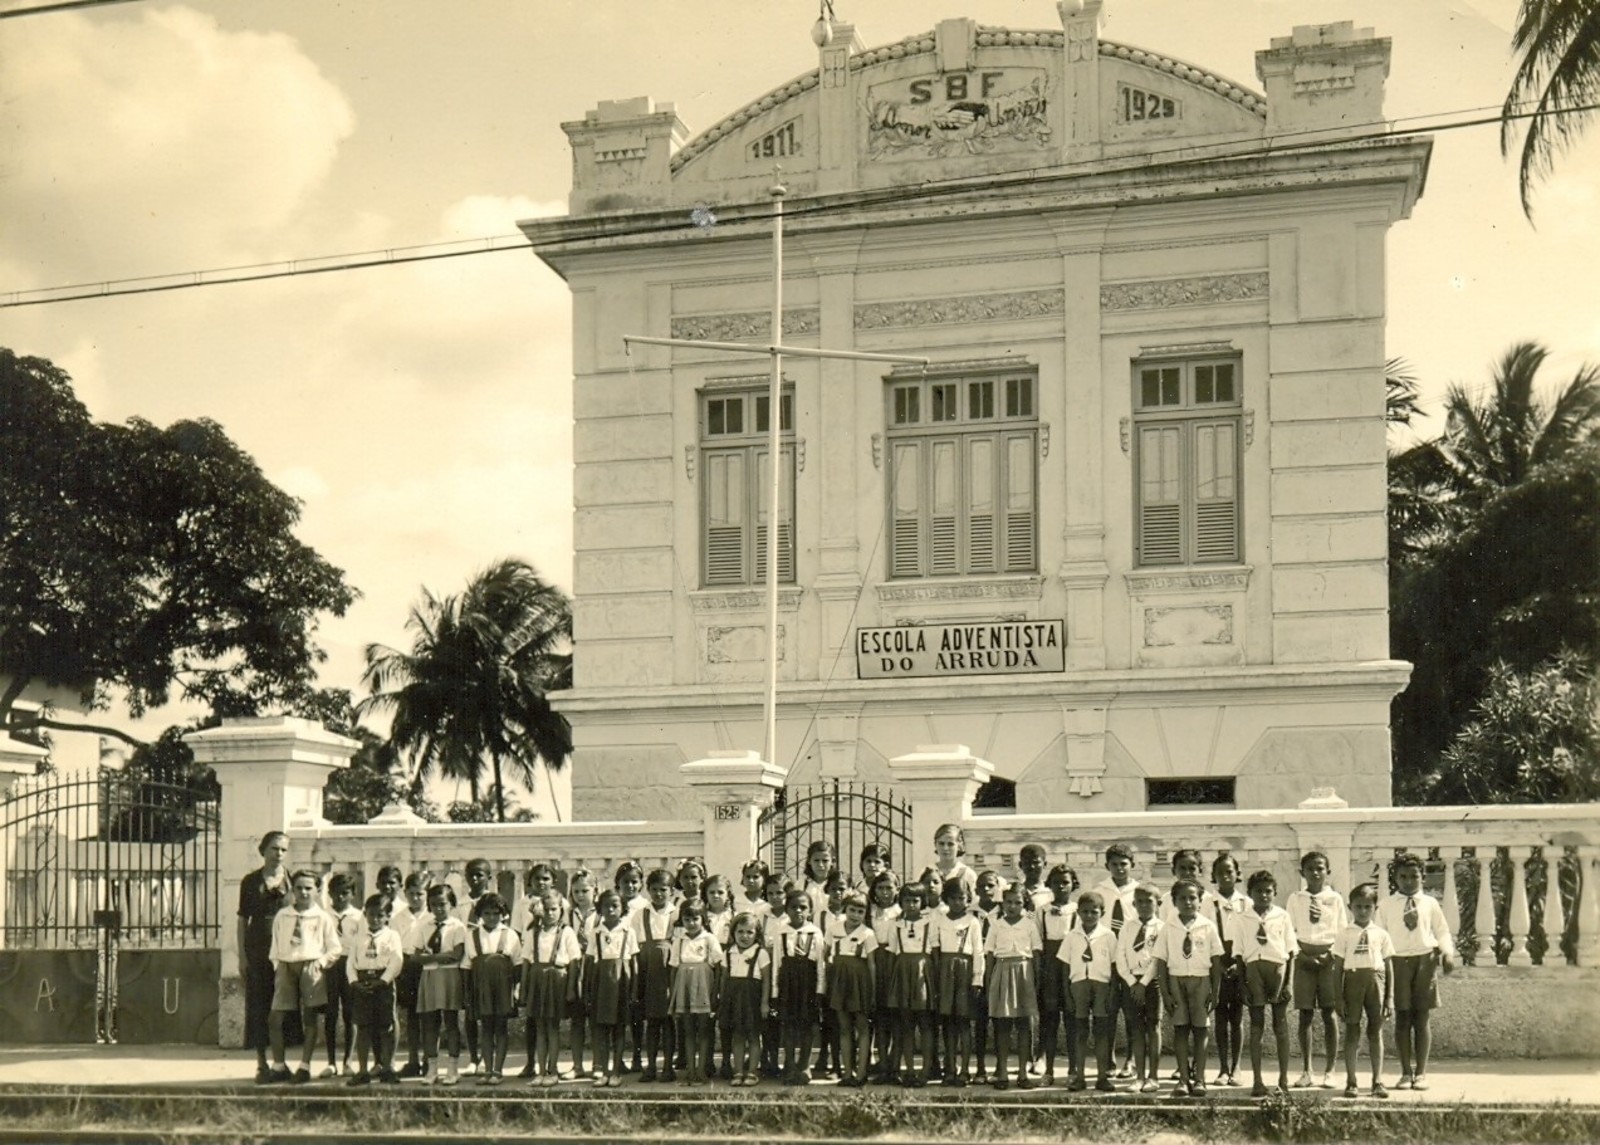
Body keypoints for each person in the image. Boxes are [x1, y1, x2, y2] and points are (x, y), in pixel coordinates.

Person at [1378, 852, 1454, 1091]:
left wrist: (1447, 953)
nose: (1409, 881)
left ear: (1423, 877)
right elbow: (1379, 935)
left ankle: (1421, 1073)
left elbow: (1441, 931)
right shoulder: (1386, 904)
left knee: (1421, 1018)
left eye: (1414, 876)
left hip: (1425, 960)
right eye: (1403, 877)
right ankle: (1404, 1072)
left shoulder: (1429, 903)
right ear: (1395, 878)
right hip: (1398, 962)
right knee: (1402, 1018)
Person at [267, 869, 343, 1084]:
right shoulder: (283, 915)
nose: (303, 892)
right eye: (299, 888)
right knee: (275, 1018)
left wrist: (318, 964)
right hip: (285, 965)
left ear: (317, 891)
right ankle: (279, 1065)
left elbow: (334, 948)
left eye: (308, 888)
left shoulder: (322, 917)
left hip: (311, 966)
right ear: (292, 890)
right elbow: (275, 944)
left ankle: (304, 1066)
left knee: (309, 1017)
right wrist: (277, 965)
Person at [1154, 877, 1224, 1099]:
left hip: (1201, 981)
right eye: (1182, 898)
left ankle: (1200, 1078)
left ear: (1200, 901)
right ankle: (1183, 1078)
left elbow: (1216, 961)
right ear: (1174, 902)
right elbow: (1161, 962)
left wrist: (1216, 991)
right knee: (1181, 1029)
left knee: (1201, 1029)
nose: (1188, 902)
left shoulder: (1208, 926)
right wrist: (1165, 993)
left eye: (1192, 898)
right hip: (1176, 981)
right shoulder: (1168, 927)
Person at [1287, 851, 1347, 1089]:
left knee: (1329, 1014)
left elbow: (1341, 931)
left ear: (1327, 872)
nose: (1315, 873)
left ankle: (1330, 1070)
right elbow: (1289, 929)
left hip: (1328, 960)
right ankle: (1306, 1070)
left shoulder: (1335, 900)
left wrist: (1329, 954)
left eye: (1320, 868)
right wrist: (1299, 954)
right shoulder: (1295, 899)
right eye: (1310, 868)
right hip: (1303, 959)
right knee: (1305, 1015)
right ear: (1302, 873)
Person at [1235, 868, 1298, 1097]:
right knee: (1256, 1025)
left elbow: (1291, 951)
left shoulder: (1282, 916)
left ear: (1275, 893)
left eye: (1268, 891)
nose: (1263, 895)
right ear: (1250, 892)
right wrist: (1242, 985)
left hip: (1277, 969)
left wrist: (1289, 983)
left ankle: (1283, 1080)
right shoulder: (1242, 918)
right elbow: (1239, 955)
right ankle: (1258, 1081)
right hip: (1254, 970)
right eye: (1258, 891)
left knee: (1280, 1025)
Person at [238, 831, 293, 1083]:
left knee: (283, 1007)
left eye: (283, 849)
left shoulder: (291, 880)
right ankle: (261, 1063)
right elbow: (242, 920)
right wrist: (242, 956)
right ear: (263, 850)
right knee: (259, 1006)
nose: (278, 854)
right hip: (258, 948)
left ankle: (281, 1063)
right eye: (274, 849)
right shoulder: (250, 881)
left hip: (283, 952)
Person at [1335, 883, 1394, 1099]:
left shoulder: (1381, 934)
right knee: (1352, 1031)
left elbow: (1388, 967)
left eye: (1367, 907)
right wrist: (1338, 998)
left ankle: (1377, 1080)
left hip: (1375, 981)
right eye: (1358, 906)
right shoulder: (1344, 934)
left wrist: (1389, 998)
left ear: (1375, 908)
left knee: (1375, 1031)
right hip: (1352, 981)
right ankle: (1351, 1081)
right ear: (1350, 907)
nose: (1362, 911)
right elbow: (1337, 968)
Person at [522, 888, 581, 1087]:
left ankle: (553, 1070)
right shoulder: (533, 933)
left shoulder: (567, 932)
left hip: (557, 980)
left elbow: (573, 962)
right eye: (546, 910)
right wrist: (524, 987)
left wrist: (571, 987)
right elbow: (526, 962)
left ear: (561, 910)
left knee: (552, 1027)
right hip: (538, 979)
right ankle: (540, 1070)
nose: (550, 913)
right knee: (540, 1027)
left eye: (554, 909)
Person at [984, 884, 1040, 1090]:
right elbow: (989, 953)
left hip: (1024, 972)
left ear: (1024, 904)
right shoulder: (996, 925)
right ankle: (1003, 1073)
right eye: (1008, 902)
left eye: (1018, 902)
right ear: (1002, 903)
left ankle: (1023, 1073)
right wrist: (989, 980)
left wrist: (1035, 980)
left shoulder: (1030, 924)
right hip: (1002, 970)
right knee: (1002, 1025)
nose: (1013, 906)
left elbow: (1036, 953)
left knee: (1024, 1024)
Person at [1060, 889, 1118, 1092]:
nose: (1089, 916)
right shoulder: (1071, 936)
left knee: (1101, 1032)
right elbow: (1065, 967)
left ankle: (1102, 1076)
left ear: (1102, 912)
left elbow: (1114, 966)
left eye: (1094, 912)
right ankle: (1080, 1076)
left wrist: (1112, 992)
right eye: (1085, 912)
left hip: (1101, 985)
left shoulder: (1109, 936)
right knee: (1080, 1031)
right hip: (1078, 985)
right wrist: (1067, 993)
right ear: (1078, 913)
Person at [345, 892, 404, 1086]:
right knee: (363, 1026)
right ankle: (363, 1070)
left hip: (383, 983)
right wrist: (354, 982)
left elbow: (396, 960)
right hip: (362, 982)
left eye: (380, 915)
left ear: (388, 916)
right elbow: (350, 962)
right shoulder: (357, 938)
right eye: (371, 915)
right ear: (365, 915)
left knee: (386, 1025)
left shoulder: (392, 936)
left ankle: (387, 1067)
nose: (376, 919)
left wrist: (384, 980)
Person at [769, 887, 825, 1085]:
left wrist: (820, 990)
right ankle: (790, 1064)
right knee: (789, 1024)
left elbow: (820, 964)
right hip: (788, 982)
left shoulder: (815, 933)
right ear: (786, 909)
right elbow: (776, 962)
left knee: (808, 1024)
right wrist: (774, 992)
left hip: (808, 983)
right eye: (794, 907)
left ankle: (804, 1064)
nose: (798, 911)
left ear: (810, 910)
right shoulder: (781, 932)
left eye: (803, 907)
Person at [1093, 843, 1140, 1079]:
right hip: (1106, 956)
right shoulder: (1100, 890)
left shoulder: (1139, 892)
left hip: (1131, 958)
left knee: (1131, 1011)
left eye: (1124, 864)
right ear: (1107, 866)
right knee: (1108, 1009)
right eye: (1115, 864)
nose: (1120, 869)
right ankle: (1109, 1059)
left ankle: (1130, 1060)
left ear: (1132, 865)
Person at [413, 883, 468, 1086]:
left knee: (451, 1023)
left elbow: (456, 954)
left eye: (442, 904)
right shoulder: (424, 926)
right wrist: (438, 957)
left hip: (449, 976)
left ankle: (453, 1069)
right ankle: (432, 1069)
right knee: (429, 1024)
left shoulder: (457, 926)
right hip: (429, 977)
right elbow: (416, 957)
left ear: (451, 904)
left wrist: (433, 956)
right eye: (434, 905)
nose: (438, 909)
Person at [933, 877, 984, 1086]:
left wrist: (977, 979)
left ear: (968, 898)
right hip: (945, 971)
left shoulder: (973, 921)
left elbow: (978, 951)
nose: (957, 902)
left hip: (965, 971)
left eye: (961, 898)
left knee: (963, 1021)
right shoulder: (940, 920)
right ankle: (950, 1068)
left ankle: (964, 1069)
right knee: (948, 1022)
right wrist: (937, 976)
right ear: (946, 898)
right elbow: (935, 947)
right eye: (953, 898)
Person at [1113, 884, 1164, 1094]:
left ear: (1158, 904)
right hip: (1130, 982)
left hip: (1152, 982)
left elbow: (1158, 958)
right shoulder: (1127, 927)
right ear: (1134, 904)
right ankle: (1139, 1076)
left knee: (1153, 1026)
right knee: (1135, 1027)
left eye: (1149, 901)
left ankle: (1153, 1076)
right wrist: (1131, 981)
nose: (1144, 905)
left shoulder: (1162, 927)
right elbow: (1120, 956)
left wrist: (1143, 983)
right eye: (1139, 902)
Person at [886, 883, 935, 1087]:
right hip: (903, 972)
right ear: (901, 902)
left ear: (922, 901)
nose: (911, 904)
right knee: (906, 1025)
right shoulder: (895, 924)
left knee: (925, 1024)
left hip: (923, 972)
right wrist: (892, 982)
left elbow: (935, 952)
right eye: (907, 900)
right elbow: (892, 953)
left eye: (915, 900)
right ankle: (910, 1070)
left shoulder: (929, 923)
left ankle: (925, 1070)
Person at [667, 901, 722, 1085]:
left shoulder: (709, 939)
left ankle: (702, 1070)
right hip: (684, 987)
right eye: (687, 919)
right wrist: (673, 992)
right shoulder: (679, 940)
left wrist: (715, 993)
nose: (691, 923)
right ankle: (690, 1070)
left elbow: (719, 966)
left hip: (704, 987)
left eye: (695, 918)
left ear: (704, 919)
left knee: (705, 1030)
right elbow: (673, 968)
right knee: (688, 1030)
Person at [1206, 851, 1248, 1086]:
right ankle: (1223, 1068)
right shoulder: (1207, 903)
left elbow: (1250, 935)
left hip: (1239, 963)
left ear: (1237, 874)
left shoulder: (1246, 903)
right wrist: (1218, 965)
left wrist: (1239, 965)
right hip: (1217, 963)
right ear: (1214, 876)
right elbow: (1204, 933)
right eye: (1220, 873)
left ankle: (1237, 1067)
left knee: (1237, 1017)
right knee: (1220, 1016)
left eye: (1229, 871)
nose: (1225, 876)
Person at [828, 891, 878, 1087]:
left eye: (860, 911)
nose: (855, 915)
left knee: (862, 1027)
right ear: (844, 909)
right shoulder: (833, 929)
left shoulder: (867, 933)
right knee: (844, 1028)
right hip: (840, 981)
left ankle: (861, 1073)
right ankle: (847, 1072)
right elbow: (826, 956)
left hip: (860, 982)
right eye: (852, 910)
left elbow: (872, 964)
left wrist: (872, 991)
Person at [589, 889, 638, 1087]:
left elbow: (633, 962)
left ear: (623, 909)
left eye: (615, 906)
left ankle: (616, 1071)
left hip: (621, 982)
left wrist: (633, 989)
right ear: (599, 909)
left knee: (619, 1028)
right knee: (601, 1029)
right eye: (605, 906)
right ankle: (604, 1071)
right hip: (602, 983)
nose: (610, 910)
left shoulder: (629, 932)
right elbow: (591, 961)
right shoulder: (596, 933)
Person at [633, 868, 677, 1081]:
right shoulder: (641, 914)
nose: (659, 894)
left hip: (669, 971)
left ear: (672, 891)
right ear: (648, 890)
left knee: (668, 1021)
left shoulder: (676, 913)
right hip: (647, 970)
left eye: (663, 889)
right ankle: (650, 1065)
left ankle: (668, 1066)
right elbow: (634, 943)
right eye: (654, 889)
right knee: (651, 1021)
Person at [1034, 863, 1077, 1085]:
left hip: (1070, 968)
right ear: (1049, 884)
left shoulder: (1078, 910)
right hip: (1049, 969)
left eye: (1065, 882)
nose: (1061, 886)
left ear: (1073, 885)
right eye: (1056, 882)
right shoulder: (1041, 911)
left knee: (1072, 1020)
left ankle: (1073, 1070)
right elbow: (1038, 943)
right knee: (1049, 1020)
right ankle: (1048, 1070)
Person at [721, 912, 772, 1087]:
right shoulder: (728, 953)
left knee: (753, 1035)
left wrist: (765, 1003)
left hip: (753, 998)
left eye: (749, 932)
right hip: (733, 999)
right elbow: (724, 979)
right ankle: (738, 1072)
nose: (744, 936)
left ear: (756, 934)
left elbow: (766, 980)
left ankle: (752, 1071)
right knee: (737, 1035)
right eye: (740, 932)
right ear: (733, 933)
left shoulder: (761, 953)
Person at [323, 872, 363, 1078]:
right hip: (329, 966)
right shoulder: (323, 916)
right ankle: (331, 1062)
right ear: (329, 893)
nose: (340, 897)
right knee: (330, 1014)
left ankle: (348, 1061)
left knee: (350, 1013)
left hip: (350, 965)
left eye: (345, 893)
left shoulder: (359, 917)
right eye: (336, 893)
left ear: (353, 894)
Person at [393, 871, 431, 1078]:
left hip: (427, 966)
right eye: (412, 893)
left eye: (420, 894)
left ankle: (429, 1060)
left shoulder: (433, 916)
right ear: (405, 893)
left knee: (429, 1016)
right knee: (412, 1016)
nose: (416, 898)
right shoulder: (398, 918)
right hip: (407, 966)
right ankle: (413, 1059)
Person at [866, 871, 901, 1081]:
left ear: (896, 889)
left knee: (894, 1015)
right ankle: (882, 1063)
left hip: (894, 961)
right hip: (874, 962)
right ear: (874, 890)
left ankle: (894, 1065)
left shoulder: (900, 911)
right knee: (879, 1017)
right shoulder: (870, 911)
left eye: (889, 888)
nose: (885, 892)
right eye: (880, 888)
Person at [930, 824, 978, 901]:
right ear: (935, 844)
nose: (945, 848)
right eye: (941, 843)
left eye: (950, 844)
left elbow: (974, 901)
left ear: (959, 846)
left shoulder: (968, 874)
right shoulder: (928, 871)